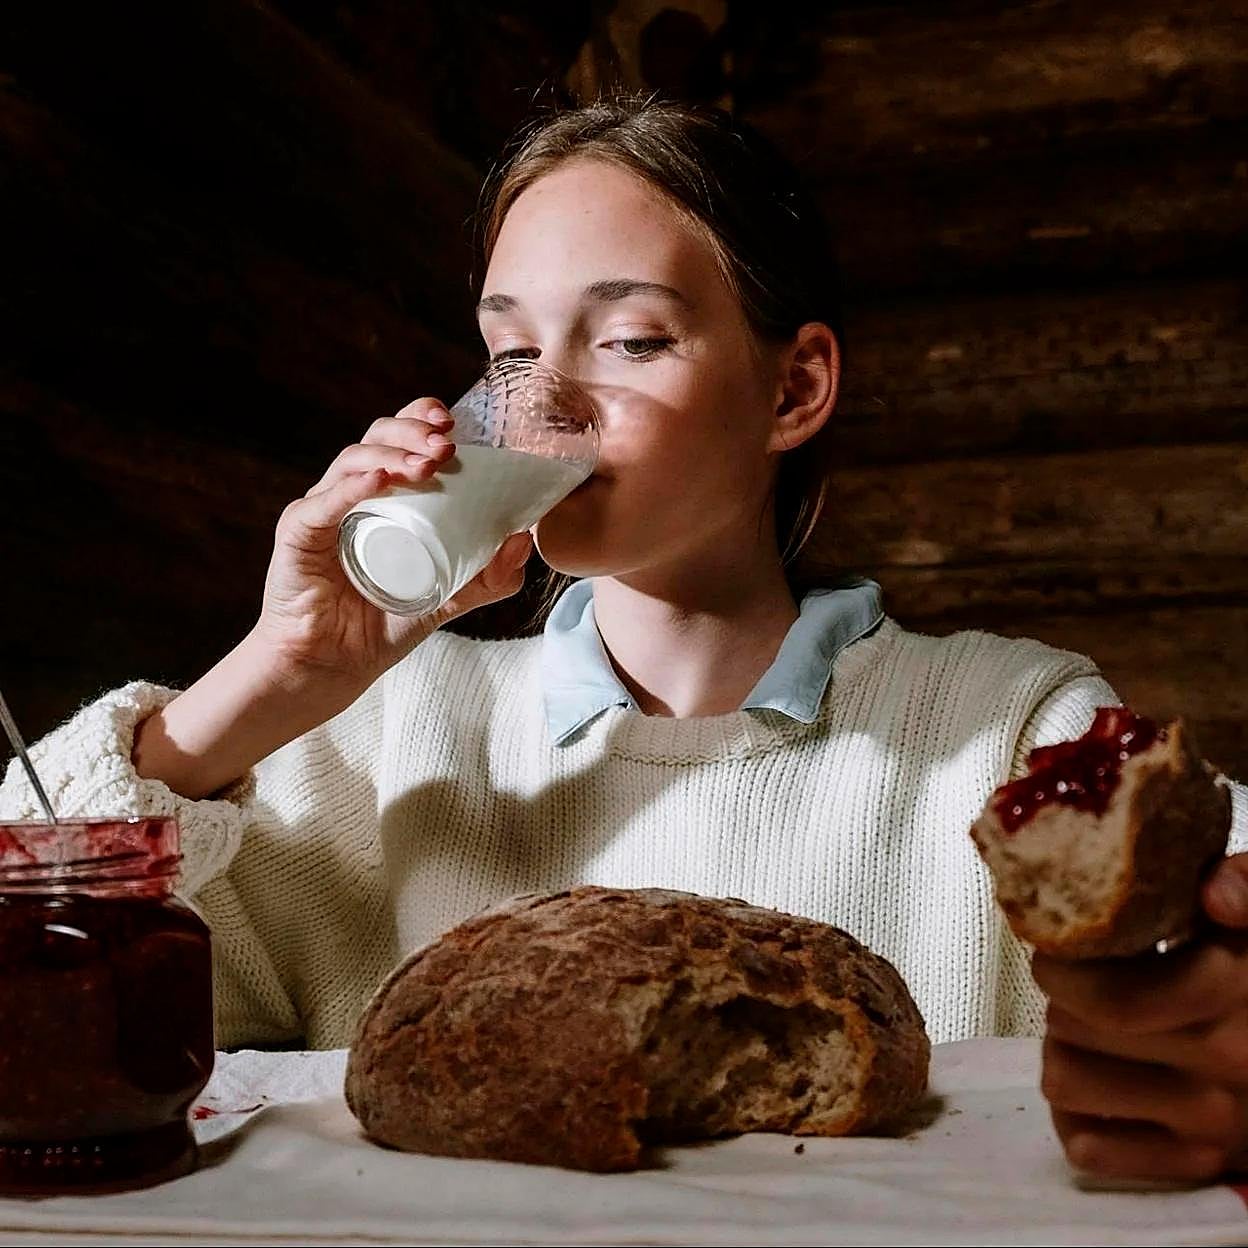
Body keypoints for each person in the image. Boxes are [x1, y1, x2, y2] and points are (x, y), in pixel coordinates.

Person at [4, 95, 1246, 1185]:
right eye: (511, 351)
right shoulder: (388, 730)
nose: (548, 402)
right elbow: (33, 978)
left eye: (632, 338)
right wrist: (269, 682)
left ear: (793, 390)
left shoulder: (1010, 727)